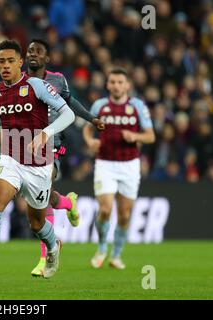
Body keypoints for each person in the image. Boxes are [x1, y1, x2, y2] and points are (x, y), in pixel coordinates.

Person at [0, 39, 76, 278]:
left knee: (37, 224)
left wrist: (46, 133)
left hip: (40, 165)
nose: (5, 66)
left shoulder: (37, 86)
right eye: (1, 61)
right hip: (11, 161)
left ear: (20, 62)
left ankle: (53, 246)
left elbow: (68, 114)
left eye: (10, 61)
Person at [24, 39, 106, 277]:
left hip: (52, 144)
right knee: (42, 198)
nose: (33, 54)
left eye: (38, 51)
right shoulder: (18, 81)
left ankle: (45, 256)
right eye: (30, 51)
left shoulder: (58, 80)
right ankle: (69, 203)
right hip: (23, 147)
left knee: (42, 191)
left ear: (47, 59)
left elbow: (71, 104)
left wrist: (91, 119)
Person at [83, 67, 155, 269]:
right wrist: (89, 141)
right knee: (105, 209)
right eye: (112, 82)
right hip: (105, 163)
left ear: (127, 85)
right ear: (107, 85)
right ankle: (102, 248)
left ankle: (116, 255)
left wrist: (136, 137)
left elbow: (150, 135)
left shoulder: (138, 106)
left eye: (120, 82)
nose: (116, 85)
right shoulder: (100, 105)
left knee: (124, 214)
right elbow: (87, 130)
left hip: (130, 165)